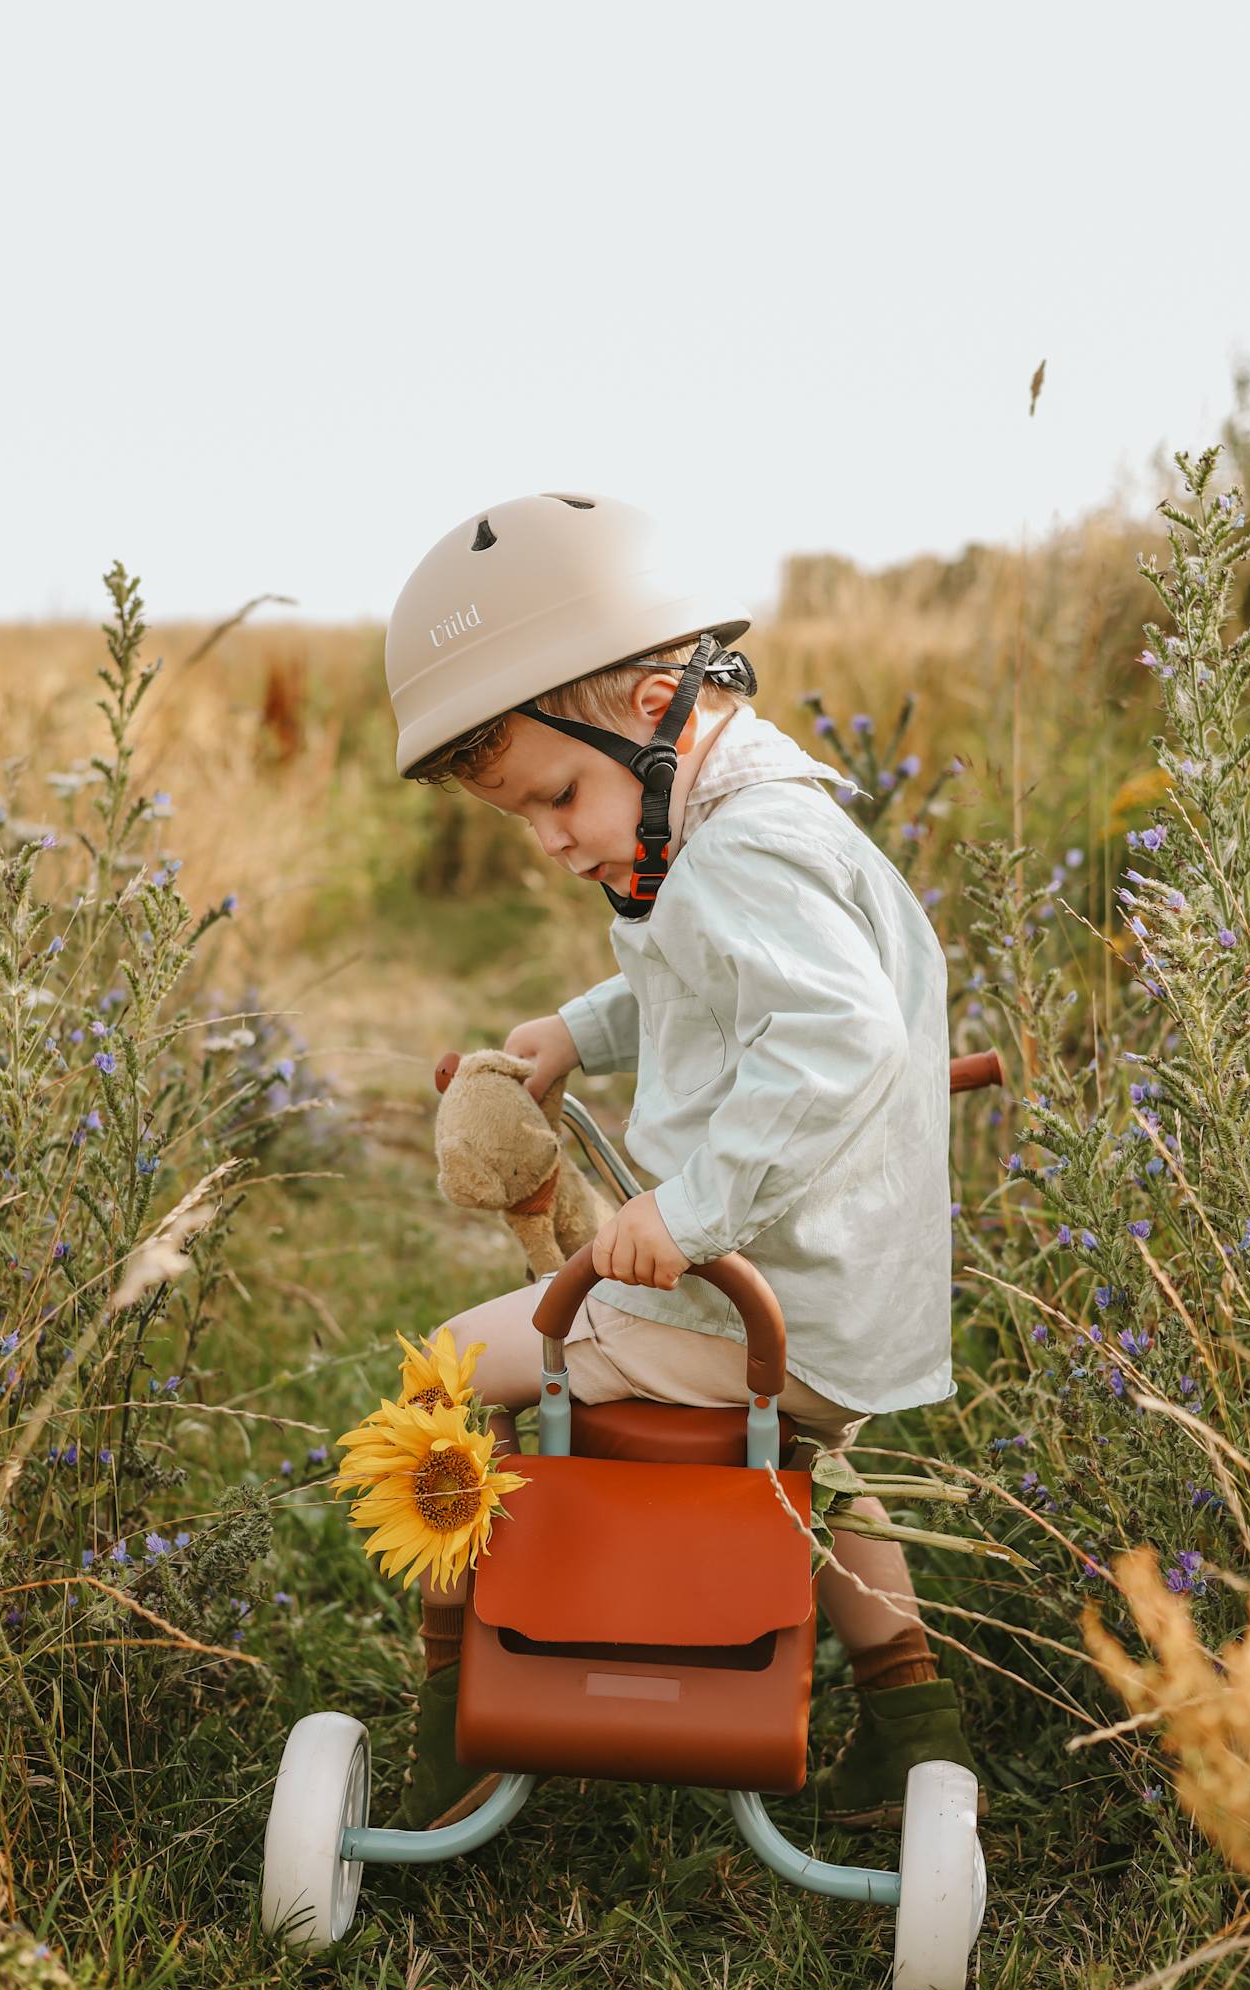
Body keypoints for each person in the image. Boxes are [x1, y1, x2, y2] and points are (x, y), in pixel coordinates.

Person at [383, 490, 983, 1832]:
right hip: (829, 1307)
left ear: (656, 706)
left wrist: (694, 1207)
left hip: (749, 1290)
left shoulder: (736, 856)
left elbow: (832, 1035)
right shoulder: (746, 816)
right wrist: (578, 1031)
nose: (548, 839)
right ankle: (910, 1720)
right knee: (810, 1454)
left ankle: (455, 1719)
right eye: (518, 818)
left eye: (556, 796)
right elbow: (720, 990)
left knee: (443, 1374)